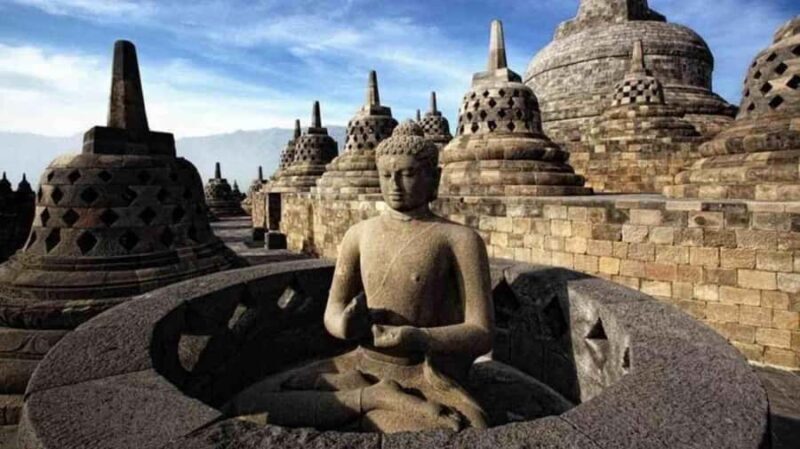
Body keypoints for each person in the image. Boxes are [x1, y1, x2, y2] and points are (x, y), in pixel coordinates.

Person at [223, 121, 494, 433]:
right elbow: (332, 314)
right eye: (386, 175)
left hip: (418, 371)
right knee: (250, 403)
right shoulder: (358, 234)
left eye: (407, 174)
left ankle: (380, 399)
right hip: (358, 361)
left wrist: (418, 338)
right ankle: (371, 397)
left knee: (462, 427)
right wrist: (345, 325)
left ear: (434, 178)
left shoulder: (459, 239)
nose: (394, 185)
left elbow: (481, 331)